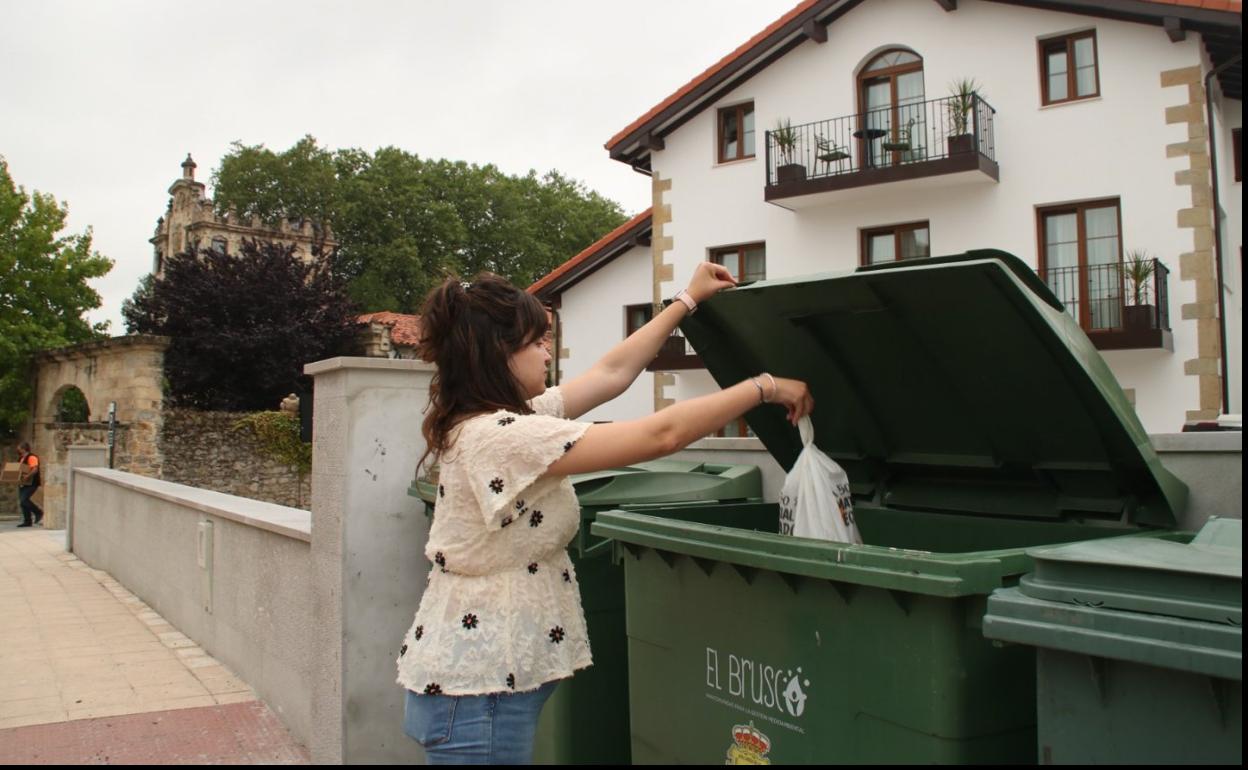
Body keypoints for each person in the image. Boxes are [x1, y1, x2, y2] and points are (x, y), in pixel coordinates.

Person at [396, 263, 813, 764]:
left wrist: (686, 300)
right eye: (536, 343)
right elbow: (660, 436)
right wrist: (763, 388)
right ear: (497, 355)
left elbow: (611, 374)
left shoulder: (507, 421)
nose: (547, 353)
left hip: (483, 681)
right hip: (476, 693)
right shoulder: (501, 437)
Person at [17, 442, 43, 528]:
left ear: (23, 449)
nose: (18, 449)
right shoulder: (21, 458)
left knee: (24, 500)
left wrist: (27, 476)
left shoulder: (32, 457)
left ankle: (38, 512)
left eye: (19, 447)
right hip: (23, 483)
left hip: (32, 483)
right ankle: (27, 521)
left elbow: (35, 469)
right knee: (22, 502)